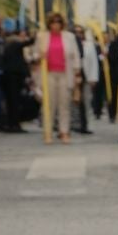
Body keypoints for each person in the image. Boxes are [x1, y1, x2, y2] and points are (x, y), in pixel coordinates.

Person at [29, 13, 82, 143]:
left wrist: (77, 73)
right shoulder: (42, 37)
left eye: (58, 21)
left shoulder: (69, 37)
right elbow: (33, 54)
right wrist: (39, 55)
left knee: (64, 104)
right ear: (49, 23)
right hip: (48, 74)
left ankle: (64, 131)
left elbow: (75, 55)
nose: (56, 24)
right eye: (53, 22)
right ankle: (48, 131)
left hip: (65, 73)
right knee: (49, 104)